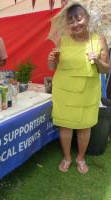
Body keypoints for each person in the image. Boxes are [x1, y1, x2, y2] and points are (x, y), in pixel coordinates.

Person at [48, 3, 110, 174]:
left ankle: (80, 158)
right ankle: (67, 157)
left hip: (87, 93)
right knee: (65, 127)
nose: (75, 24)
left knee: (84, 127)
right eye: (70, 20)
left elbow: (106, 69)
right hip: (65, 92)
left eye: (79, 18)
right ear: (66, 24)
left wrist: (98, 60)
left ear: (87, 18)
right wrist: (51, 59)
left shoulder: (99, 40)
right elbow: (52, 67)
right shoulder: (63, 41)